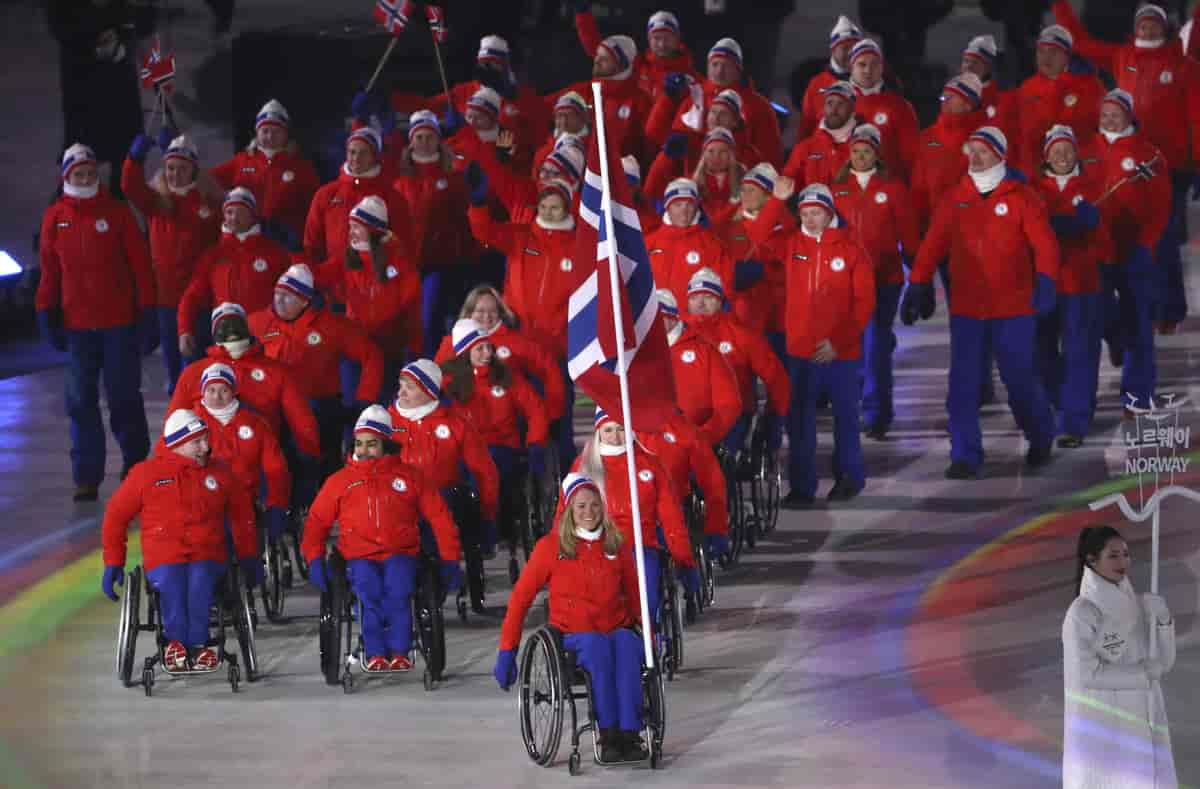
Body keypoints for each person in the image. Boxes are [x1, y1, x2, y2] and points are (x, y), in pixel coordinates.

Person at [905, 127, 1060, 479]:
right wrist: (917, 282)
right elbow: (933, 243)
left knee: (1019, 379)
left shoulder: (1021, 197)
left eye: (983, 152)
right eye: (971, 151)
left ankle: (1040, 434)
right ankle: (965, 454)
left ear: (1000, 156)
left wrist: (1047, 280)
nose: (974, 158)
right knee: (963, 384)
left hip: (1014, 308)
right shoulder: (955, 197)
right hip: (968, 310)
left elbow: (1046, 245)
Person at [1053, 0, 1200, 332]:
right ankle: (1140, 305)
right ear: (1135, 28)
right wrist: (1060, 7)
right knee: (1128, 237)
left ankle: (1168, 309)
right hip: (1127, 161)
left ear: (1165, 28)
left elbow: (1196, 117)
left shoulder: (1184, 66)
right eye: (1143, 23)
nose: (1148, 28)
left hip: (1171, 167)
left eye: (1154, 23)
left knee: (1162, 236)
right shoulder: (1123, 56)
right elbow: (1079, 42)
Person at [493, 473, 649, 763]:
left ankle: (631, 732)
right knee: (597, 648)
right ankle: (609, 733)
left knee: (628, 646)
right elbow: (520, 600)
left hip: (616, 626)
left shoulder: (616, 544)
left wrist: (651, 635)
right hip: (575, 634)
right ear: (568, 510)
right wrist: (507, 649)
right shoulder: (551, 547)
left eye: (594, 505)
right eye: (581, 506)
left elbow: (636, 595)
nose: (589, 512)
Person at [303, 406, 463, 673]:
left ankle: (400, 650)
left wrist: (450, 558)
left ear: (386, 445)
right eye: (359, 444)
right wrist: (314, 559)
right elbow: (316, 522)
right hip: (358, 555)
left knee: (398, 591)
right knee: (369, 592)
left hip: (400, 552)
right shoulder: (341, 481)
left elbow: (440, 518)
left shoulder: (410, 477)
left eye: (372, 444)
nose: (364, 450)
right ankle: (375, 651)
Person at [36, 143, 155, 501]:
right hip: (77, 329)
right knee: (80, 402)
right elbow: (49, 271)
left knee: (123, 399)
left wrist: (147, 312)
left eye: (90, 172)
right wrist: (46, 311)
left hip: (118, 325)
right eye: (79, 173)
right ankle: (86, 475)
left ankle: (135, 464)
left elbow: (140, 266)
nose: (85, 178)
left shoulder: (117, 213)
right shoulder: (55, 217)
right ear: (67, 177)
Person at [101, 409, 258, 672]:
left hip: (208, 553)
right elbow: (115, 517)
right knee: (172, 586)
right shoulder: (145, 474)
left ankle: (197, 645)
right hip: (164, 554)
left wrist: (249, 556)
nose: (205, 447)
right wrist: (113, 562)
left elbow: (243, 517)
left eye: (206, 439)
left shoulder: (220, 473)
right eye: (197, 442)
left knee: (199, 583)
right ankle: (176, 643)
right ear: (177, 444)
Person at [749, 181, 874, 505]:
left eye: (816, 212)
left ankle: (849, 477)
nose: (810, 219)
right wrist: (777, 200)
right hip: (801, 351)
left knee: (845, 416)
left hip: (840, 352)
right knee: (799, 419)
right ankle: (803, 486)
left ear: (829, 212)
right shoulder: (791, 244)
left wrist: (839, 341)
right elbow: (758, 235)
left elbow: (863, 302)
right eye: (805, 212)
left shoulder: (850, 248)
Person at [442, 319, 550, 610]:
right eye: (479, 348)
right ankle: (472, 534)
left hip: (503, 449)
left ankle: (493, 526)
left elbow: (535, 410)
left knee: (495, 471)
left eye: (488, 346)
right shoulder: (449, 382)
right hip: (463, 450)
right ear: (465, 352)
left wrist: (536, 443)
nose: (487, 352)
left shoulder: (507, 378)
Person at [248, 264, 384, 495]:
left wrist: (364, 400)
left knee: (319, 469)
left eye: (287, 296)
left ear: (304, 301)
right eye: (277, 294)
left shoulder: (331, 326)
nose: (278, 301)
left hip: (319, 410)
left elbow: (372, 355)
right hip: (275, 410)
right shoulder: (257, 323)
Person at [1062, 525, 1176, 788]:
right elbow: (1086, 674)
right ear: (1091, 560)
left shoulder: (1138, 605)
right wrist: (1141, 674)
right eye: (1113, 555)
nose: (1122, 561)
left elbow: (1162, 664)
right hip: (1103, 724)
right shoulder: (1081, 613)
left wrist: (1163, 622)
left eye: (1126, 554)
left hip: (1142, 718)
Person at [1079, 90, 1170, 416]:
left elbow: (1161, 208)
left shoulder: (1149, 155)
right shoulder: (1085, 150)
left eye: (1115, 113)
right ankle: (1081, 396)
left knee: (1138, 323)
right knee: (1096, 319)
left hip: (1133, 252)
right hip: (1095, 251)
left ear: (1130, 115)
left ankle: (1137, 393)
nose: (1109, 119)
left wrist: (1147, 244)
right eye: (1104, 113)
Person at [829, 124, 920, 440]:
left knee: (876, 343)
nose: (860, 156)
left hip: (884, 279)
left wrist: (918, 280)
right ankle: (855, 408)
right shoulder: (837, 190)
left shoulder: (893, 188)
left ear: (877, 154)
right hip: (845, 282)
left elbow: (909, 236)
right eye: (855, 151)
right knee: (853, 347)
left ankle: (877, 412)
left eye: (866, 151)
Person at [573, 410, 699, 620]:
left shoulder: (650, 464)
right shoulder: (583, 467)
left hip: (640, 548)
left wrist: (684, 560)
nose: (615, 437)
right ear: (598, 432)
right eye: (608, 430)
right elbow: (565, 516)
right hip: (597, 548)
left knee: (644, 606)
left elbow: (671, 519)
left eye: (621, 429)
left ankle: (645, 639)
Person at [121, 133, 221, 392]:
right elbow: (130, 186)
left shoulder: (208, 203)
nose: (175, 174)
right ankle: (179, 422)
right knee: (175, 367)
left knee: (200, 365)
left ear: (194, 170)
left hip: (200, 299)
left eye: (182, 168)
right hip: (167, 300)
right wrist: (135, 157)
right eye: (170, 168)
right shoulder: (157, 202)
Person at [1031, 126, 1109, 447]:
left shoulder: (1092, 186)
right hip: (1044, 282)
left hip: (1080, 283)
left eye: (1067, 150)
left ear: (1077, 153)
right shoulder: (1034, 189)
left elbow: (1104, 240)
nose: (1062, 156)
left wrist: (1093, 223)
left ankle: (1074, 420)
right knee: (1043, 350)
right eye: (1056, 150)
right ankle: (1059, 401)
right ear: (1046, 155)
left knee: (1080, 351)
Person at [434, 286, 571, 468]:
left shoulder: (515, 344)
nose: (487, 317)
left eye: (493, 311)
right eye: (480, 311)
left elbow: (548, 368)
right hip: (466, 426)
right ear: (469, 312)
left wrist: (552, 411)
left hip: (506, 425)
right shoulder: (451, 345)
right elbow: (436, 382)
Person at [170, 302, 321, 461]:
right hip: (208, 462)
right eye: (225, 326)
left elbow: (302, 422)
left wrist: (309, 457)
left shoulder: (276, 372)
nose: (231, 330)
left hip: (260, 459)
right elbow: (174, 423)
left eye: (236, 325)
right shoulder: (193, 373)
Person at [386, 359, 500, 558]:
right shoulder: (384, 421)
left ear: (429, 392)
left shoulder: (455, 423)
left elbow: (484, 470)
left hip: (443, 498)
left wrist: (487, 515)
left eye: (410, 388)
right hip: (396, 497)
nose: (401, 393)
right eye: (401, 386)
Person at [312, 195, 423, 400]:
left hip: (388, 346)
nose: (351, 232)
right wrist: (297, 254)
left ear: (373, 229)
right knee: (351, 401)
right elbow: (315, 277)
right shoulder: (347, 259)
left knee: (379, 406)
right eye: (350, 226)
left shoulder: (399, 261)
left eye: (357, 226)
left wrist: (414, 348)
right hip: (355, 345)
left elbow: (412, 307)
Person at [390, 111, 478, 356]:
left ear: (438, 140)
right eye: (419, 136)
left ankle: (433, 370)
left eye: (430, 136)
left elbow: (465, 217)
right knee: (410, 324)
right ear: (411, 141)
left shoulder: (452, 176)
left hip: (441, 262)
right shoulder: (401, 179)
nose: (424, 142)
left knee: (430, 321)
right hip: (408, 264)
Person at [467, 175, 586, 358]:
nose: (547, 212)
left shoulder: (579, 247)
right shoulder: (521, 236)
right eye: (543, 206)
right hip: (516, 339)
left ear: (567, 209)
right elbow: (484, 232)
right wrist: (478, 205)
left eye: (554, 207)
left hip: (559, 345)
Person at [177, 187, 290, 362]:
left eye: (241, 212)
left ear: (253, 215)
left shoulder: (274, 253)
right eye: (229, 212)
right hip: (226, 340)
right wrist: (184, 330)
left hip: (265, 340)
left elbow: (291, 298)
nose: (234, 218)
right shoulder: (213, 255)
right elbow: (192, 296)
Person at [684, 269, 789, 454]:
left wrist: (774, 415)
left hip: (731, 415)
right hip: (686, 415)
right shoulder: (674, 334)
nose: (700, 303)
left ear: (720, 300)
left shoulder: (741, 335)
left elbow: (776, 377)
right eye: (694, 297)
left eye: (708, 296)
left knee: (719, 457)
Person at [193, 364, 291, 549]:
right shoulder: (189, 425)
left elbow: (275, 468)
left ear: (233, 391)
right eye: (211, 390)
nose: (217, 396)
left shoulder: (255, 423)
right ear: (202, 392)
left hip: (247, 499)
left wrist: (277, 504)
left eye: (223, 390)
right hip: (206, 503)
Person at [303, 125, 416, 277]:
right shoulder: (326, 194)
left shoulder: (391, 197)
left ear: (375, 156)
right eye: (352, 152)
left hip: (374, 287)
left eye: (363, 153)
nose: (356, 158)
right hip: (334, 286)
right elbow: (312, 243)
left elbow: (403, 246)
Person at [210, 99, 320, 249]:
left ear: (286, 133)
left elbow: (315, 207)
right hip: (248, 240)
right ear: (257, 132)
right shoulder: (242, 161)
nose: (270, 136)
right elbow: (208, 180)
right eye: (265, 131)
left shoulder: (300, 165)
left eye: (276, 131)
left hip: (286, 243)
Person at [1007, 25, 1105, 178]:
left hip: (1077, 170)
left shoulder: (1089, 85)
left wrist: (1063, 83)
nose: (1046, 58)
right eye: (1041, 51)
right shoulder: (1028, 87)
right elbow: (1021, 134)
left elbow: (1089, 128)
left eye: (1053, 52)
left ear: (1068, 55)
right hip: (1036, 170)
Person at [656, 289, 742, 447]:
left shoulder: (704, 350)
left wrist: (704, 438)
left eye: (656, 318)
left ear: (673, 318)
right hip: (647, 449)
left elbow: (729, 405)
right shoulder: (634, 355)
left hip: (694, 448)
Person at [644, 178, 737, 311]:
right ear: (667, 207)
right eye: (678, 205)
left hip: (694, 326)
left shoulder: (711, 244)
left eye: (689, 204)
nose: (684, 210)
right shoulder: (648, 243)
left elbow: (726, 290)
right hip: (655, 323)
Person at [571, 6, 697, 101]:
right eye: (657, 38)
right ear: (649, 39)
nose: (662, 44)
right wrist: (582, 14)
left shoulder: (691, 78)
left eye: (667, 38)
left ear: (678, 38)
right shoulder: (637, 65)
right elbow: (599, 50)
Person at [845, 39, 920, 183]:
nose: (868, 70)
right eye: (862, 64)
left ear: (882, 68)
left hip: (887, 192)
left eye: (874, 64)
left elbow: (913, 158)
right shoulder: (837, 104)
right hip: (846, 193)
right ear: (851, 67)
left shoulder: (899, 106)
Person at [797, 15, 865, 139]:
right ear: (833, 50)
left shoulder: (871, 83)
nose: (850, 53)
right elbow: (806, 127)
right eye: (845, 48)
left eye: (854, 48)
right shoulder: (817, 83)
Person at [781, 81, 859, 186]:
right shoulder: (805, 148)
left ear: (852, 108)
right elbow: (784, 192)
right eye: (830, 103)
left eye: (841, 103)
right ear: (823, 107)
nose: (834, 109)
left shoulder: (865, 149)